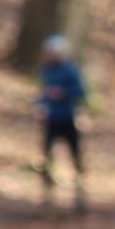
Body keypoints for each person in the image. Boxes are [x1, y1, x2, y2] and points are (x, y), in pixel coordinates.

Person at [35, 35, 87, 212]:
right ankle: (48, 195)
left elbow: (80, 92)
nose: (50, 55)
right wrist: (39, 105)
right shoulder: (45, 70)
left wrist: (63, 93)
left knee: (75, 156)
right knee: (47, 157)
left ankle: (79, 194)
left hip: (68, 118)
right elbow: (43, 93)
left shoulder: (70, 70)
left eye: (53, 52)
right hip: (51, 119)